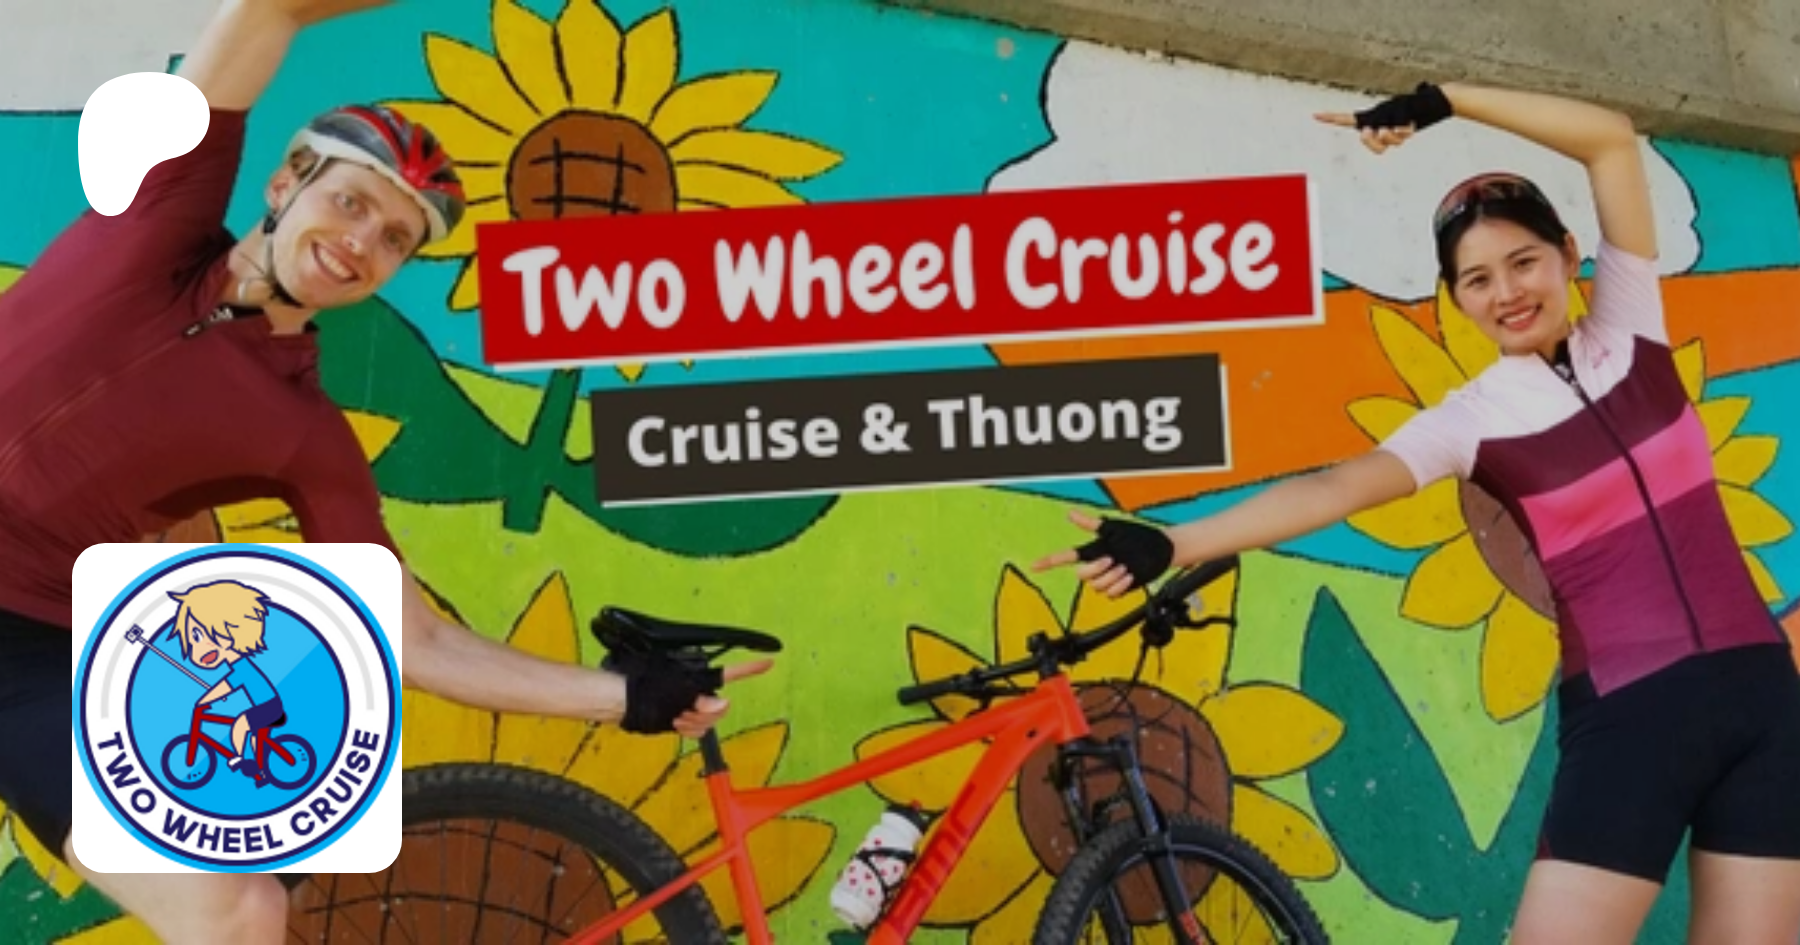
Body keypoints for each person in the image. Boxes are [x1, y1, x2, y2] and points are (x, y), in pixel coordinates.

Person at [0, 1, 770, 941]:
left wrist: (624, 695)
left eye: (397, 238)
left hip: (18, 647)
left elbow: (418, 640)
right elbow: (267, 12)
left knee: (239, 906)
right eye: (351, 202)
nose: (362, 241)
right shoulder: (159, 210)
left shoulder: (300, 430)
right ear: (287, 181)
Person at [1038, 81, 1800, 943]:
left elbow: (1612, 139)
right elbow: (1331, 489)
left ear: (1568, 252)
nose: (1507, 291)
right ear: (1457, 297)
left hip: (1763, 701)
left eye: (1523, 261)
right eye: (1477, 279)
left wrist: (1447, 101)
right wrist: (1175, 540)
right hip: (1633, 716)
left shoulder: (1633, 330)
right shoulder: (1471, 420)